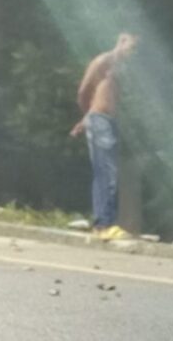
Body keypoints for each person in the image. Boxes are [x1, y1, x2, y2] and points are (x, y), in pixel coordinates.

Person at [70, 33, 137, 241]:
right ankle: (104, 224)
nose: (133, 52)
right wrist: (90, 116)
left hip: (104, 121)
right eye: (131, 46)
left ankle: (103, 223)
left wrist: (85, 120)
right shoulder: (102, 62)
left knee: (105, 172)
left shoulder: (116, 70)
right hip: (101, 121)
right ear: (122, 41)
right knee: (107, 172)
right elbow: (83, 91)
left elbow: (101, 96)